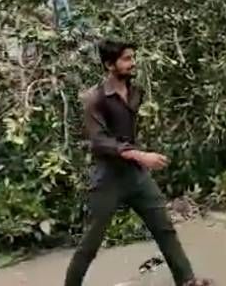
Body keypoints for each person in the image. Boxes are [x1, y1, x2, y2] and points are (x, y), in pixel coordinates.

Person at [64, 39, 210, 286]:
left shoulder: (135, 92)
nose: (133, 63)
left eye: (133, 57)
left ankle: (187, 281)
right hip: (108, 178)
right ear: (110, 64)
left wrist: (138, 159)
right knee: (90, 242)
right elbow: (100, 142)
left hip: (136, 176)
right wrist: (140, 155)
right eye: (126, 59)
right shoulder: (94, 98)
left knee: (164, 229)